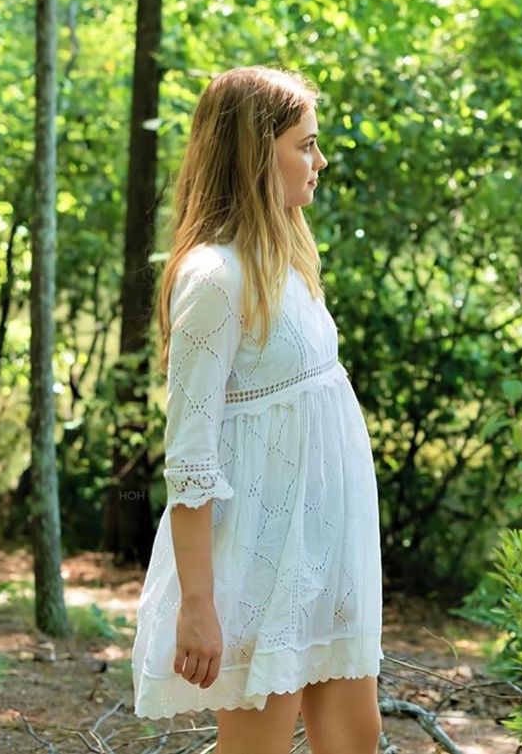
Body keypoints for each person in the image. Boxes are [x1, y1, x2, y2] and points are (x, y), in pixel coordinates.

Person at [131, 66, 384, 754]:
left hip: (324, 555)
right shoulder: (214, 278)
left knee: (355, 741)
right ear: (254, 153)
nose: (320, 160)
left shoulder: (288, 257)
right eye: (305, 144)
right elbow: (189, 456)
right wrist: (197, 604)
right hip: (262, 564)